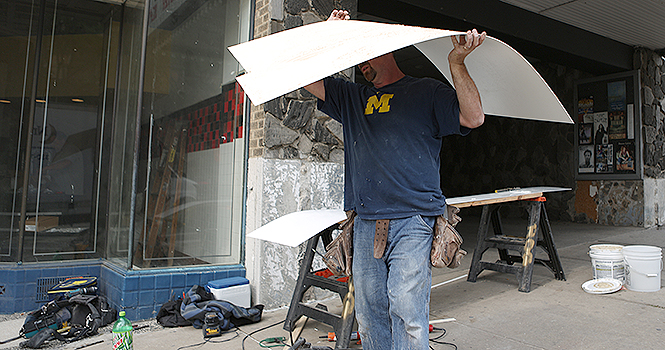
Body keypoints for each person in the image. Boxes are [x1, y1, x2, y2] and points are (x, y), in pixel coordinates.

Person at [305, 10, 486, 350]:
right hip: (365, 224)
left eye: (365, 54)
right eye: (356, 58)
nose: (361, 64)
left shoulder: (426, 92)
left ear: (387, 49)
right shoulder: (351, 98)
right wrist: (326, 39)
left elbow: (474, 117)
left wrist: (457, 64)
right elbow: (305, 77)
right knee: (371, 316)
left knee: (407, 310)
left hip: (414, 219)